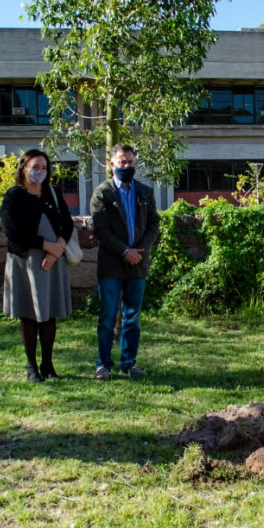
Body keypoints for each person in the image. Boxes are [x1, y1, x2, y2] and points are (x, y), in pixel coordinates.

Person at [0, 149, 74, 383]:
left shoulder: (52, 193)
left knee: (49, 313)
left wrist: (57, 249)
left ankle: (48, 365)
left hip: (51, 263)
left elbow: (67, 223)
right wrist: (45, 245)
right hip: (26, 262)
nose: (40, 171)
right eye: (35, 167)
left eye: (44, 168)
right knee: (30, 315)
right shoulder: (13, 196)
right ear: (23, 168)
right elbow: (13, 232)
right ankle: (31, 366)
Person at [90, 144, 160, 380]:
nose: (126, 166)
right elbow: (101, 229)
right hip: (111, 265)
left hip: (138, 263)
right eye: (122, 162)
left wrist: (141, 250)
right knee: (108, 317)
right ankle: (103, 364)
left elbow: (154, 224)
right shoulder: (102, 193)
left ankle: (128, 363)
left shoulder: (145, 193)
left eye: (130, 162)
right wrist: (124, 251)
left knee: (133, 317)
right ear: (112, 165)